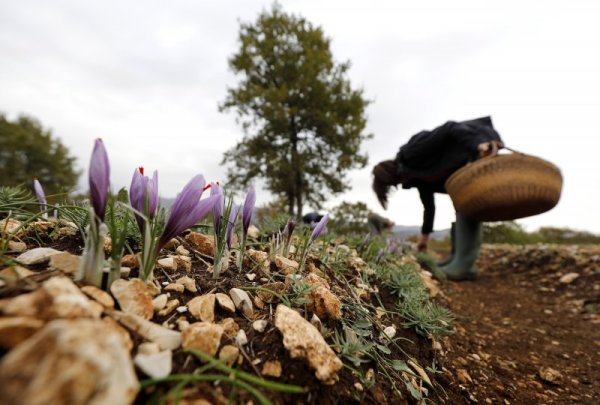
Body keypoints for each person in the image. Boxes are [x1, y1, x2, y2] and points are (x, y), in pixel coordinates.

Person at [371, 116, 504, 280]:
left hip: (474, 140)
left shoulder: (412, 152)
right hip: (465, 162)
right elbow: (429, 207)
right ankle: (457, 258)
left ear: (394, 176)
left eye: (395, 183)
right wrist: (424, 239)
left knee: (467, 203)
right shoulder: (416, 177)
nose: (400, 185)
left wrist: (476, 143)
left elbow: (450, 127)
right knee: (461, 201)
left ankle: (464, 265)